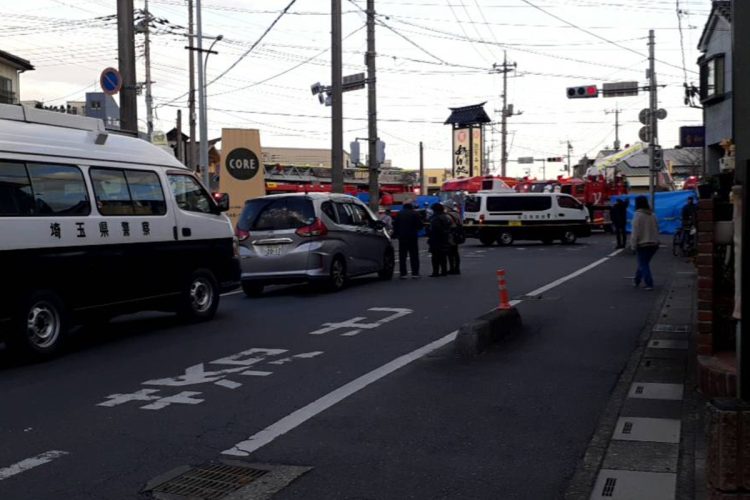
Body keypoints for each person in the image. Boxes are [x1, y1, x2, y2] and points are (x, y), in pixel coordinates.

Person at [630, 195, 660, 290]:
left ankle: (649, 283)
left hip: (643, 243)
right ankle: (636, 280)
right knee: (643, 263)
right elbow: (657, 228)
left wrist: (633, 245)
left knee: (643, 264)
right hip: (654, 243)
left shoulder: (638, 215)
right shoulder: (652, 215)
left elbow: (635, 232)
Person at [392, 203, 423, 279]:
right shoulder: (415, 214)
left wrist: (395, 234)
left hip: (402, 237)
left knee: (402, 255)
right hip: (412, 236)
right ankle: (415, 273)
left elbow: (395, 225)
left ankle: (403, 273)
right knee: (414, 255)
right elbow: (419, 226)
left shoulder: (399, 214)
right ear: (411, 207)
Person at [427, 203, 452, 277]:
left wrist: (429, 232)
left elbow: (435, 229)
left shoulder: (435, 218)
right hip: (444, 238)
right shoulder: (445, 216)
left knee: (435, 256)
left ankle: (435, 271)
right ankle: (444, 271)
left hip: (436, 239)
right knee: (443, 256)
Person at [445, 202, 464, 274]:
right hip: (457, 234)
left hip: (451, 235)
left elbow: (447, 225)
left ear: (448, 207)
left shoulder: (448, 215)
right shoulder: (457, 214)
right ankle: (457, 268)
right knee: (456, 252)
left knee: (450, 253)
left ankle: (452, 268)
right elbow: (461, 223)